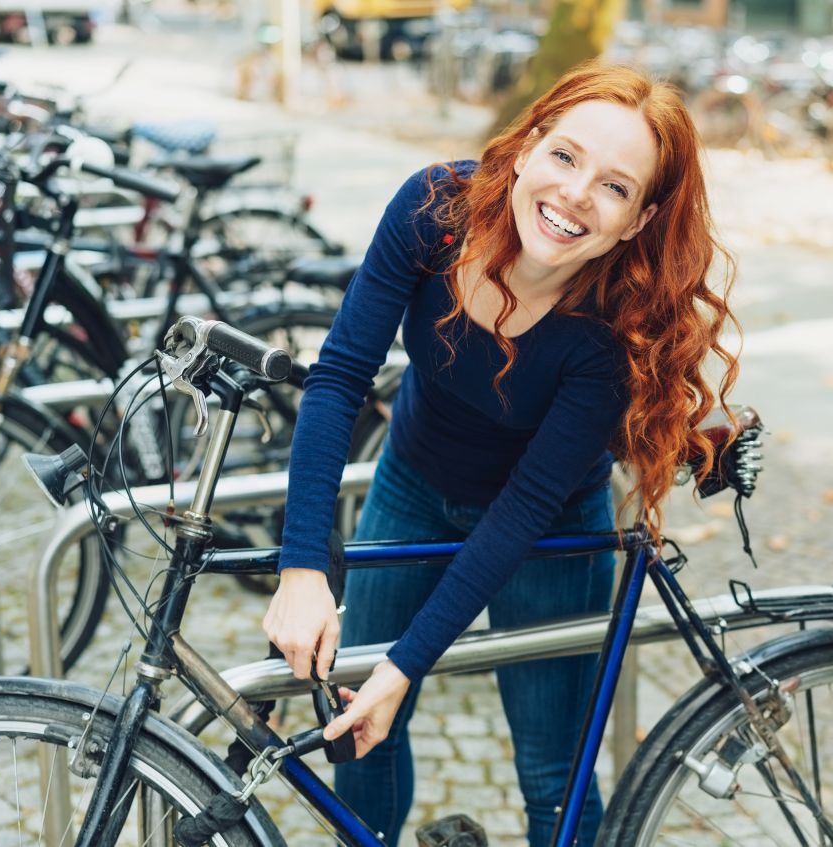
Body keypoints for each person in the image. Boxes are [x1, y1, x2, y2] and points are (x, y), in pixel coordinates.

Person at [263, 59, 739, 846]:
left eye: (616, 187)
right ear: (526, 147)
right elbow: (340, 376)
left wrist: (406, 665)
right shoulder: (433, 212)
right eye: (565, 156)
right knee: (355, 729)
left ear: (638, 221)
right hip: (413, 477)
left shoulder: (610, 333)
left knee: (555, 774)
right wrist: (304, 566)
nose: (577, 193)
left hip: (547, 529)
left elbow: (522, 508)